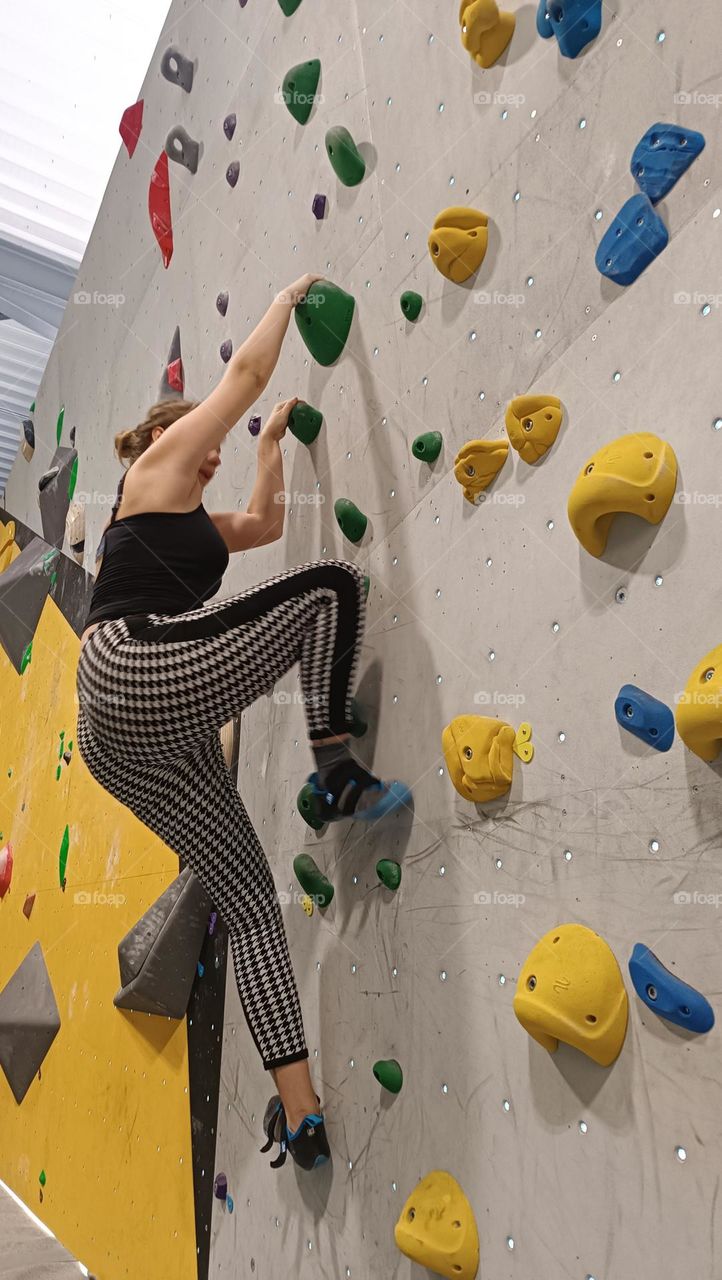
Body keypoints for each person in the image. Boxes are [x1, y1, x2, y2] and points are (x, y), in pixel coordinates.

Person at [75, 274, 411, 1172]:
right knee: (332, 590)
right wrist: (284, 296)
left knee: (252, 906)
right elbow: (248, 375)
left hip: (125, 746)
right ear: (158, 438)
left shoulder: (188, 519)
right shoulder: (150, 475)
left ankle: (299, 1112)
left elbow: (261, 528)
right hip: (128, 670)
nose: (209, 453)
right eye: (202, 440)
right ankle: (334, 768)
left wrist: (267, 451)